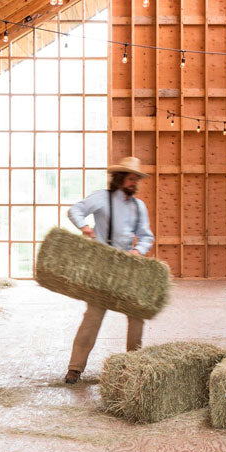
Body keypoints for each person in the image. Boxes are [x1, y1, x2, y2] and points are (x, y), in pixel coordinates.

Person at [62, 155, 154, 384]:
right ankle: (75, 368)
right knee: (93, 316)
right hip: (103, 265)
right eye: (131, 178)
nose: (135, 183)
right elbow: (75, 210)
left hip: (127, 266)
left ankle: (133, 364)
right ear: (120, 178)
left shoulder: (138, 206)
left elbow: (146, 235)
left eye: (137, 179)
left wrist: (138, 250)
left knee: (137, 315)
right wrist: (83, 226)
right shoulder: (102, 198)